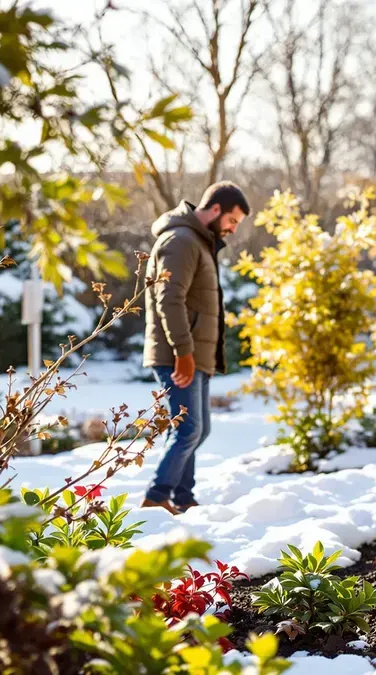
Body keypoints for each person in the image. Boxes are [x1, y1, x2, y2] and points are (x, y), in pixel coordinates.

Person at [141, 181, 249, 515]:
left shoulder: (198, 241)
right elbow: (169, 300)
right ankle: (156, 497)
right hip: (177, 355)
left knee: (196, 430)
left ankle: (183, 497)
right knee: (188, 430)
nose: (233, 229)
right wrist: (183, 353)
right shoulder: (181, 241)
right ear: (215, 209)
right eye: (232, 220)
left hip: (193, 354)